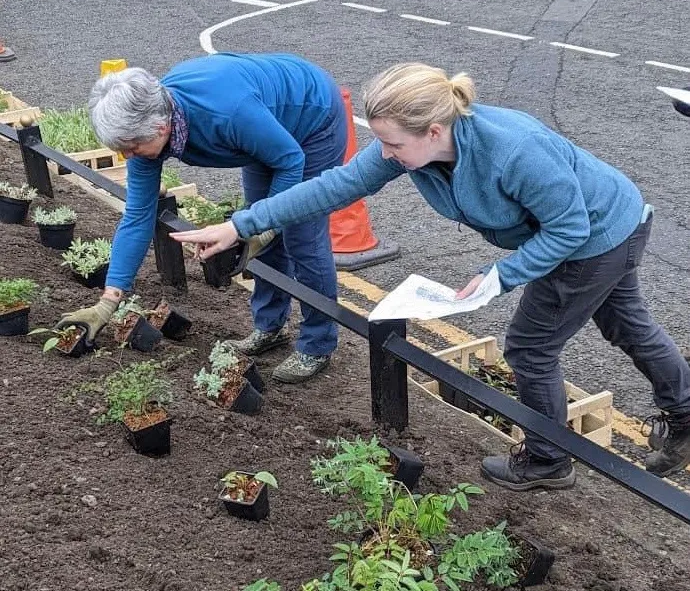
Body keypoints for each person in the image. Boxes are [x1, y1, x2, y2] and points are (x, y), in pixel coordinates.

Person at [171, 62, 690, 489]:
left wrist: (500, 276)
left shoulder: (512, 150)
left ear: (434, 131)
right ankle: (685, 413)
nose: (384, 153)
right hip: (602, 223)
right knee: (626, 324)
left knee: (531, 347)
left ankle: (548, 460)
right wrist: (241, 225)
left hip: (596, 236)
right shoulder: (415, 148)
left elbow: (569, 228)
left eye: (392, 144)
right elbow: (335, 186)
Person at [58, 53, 348, 383]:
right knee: (256, 228)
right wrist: (108, 301)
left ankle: (317, 344)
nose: (127, 156)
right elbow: (138, 216)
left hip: (312, 120)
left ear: (161, 126)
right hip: (265, 130)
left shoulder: (227, 113)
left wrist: (264, 228)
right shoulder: (147, 129)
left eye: (132, 146)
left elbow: (290, 159)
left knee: (300, 235)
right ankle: (269, 328)